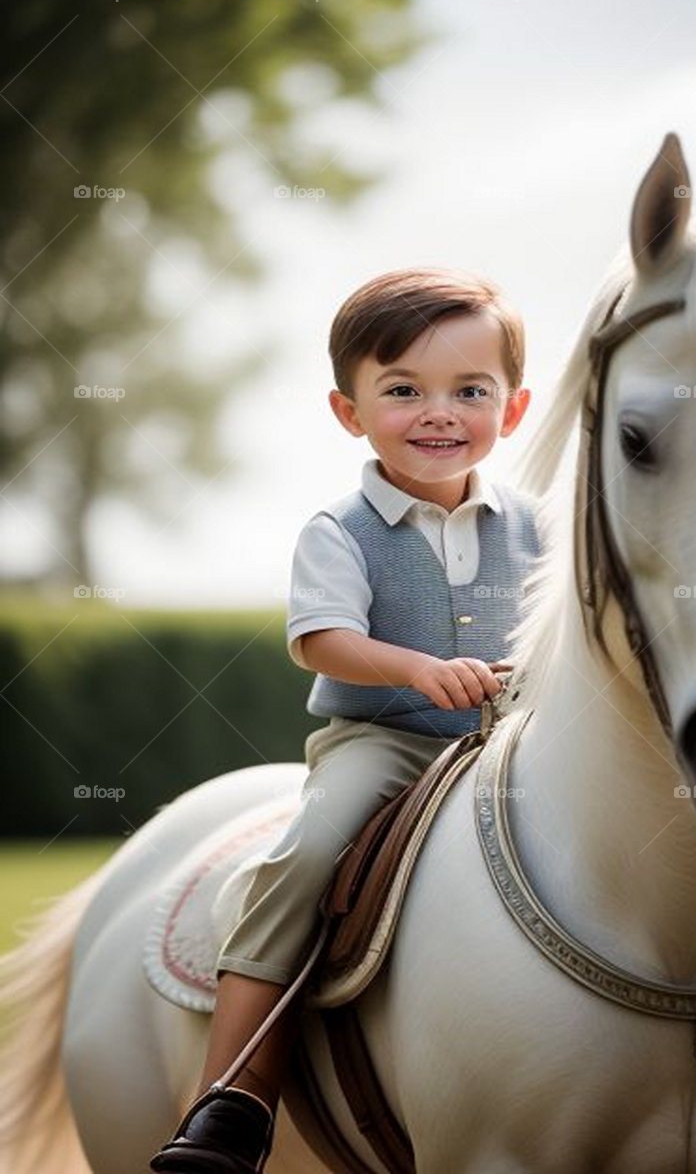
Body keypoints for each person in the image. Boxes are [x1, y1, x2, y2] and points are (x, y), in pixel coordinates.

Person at [150, 266, 539, 1172]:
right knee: (307, 854)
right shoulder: (341, 529)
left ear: (512, 411)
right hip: (388, 745)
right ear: (348, 411)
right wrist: (419, 670)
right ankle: (232, 1099)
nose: (439, 412)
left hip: (519, 747)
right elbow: (321, 640)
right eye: (403, 390)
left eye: (469, 391)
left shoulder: (541, 526)